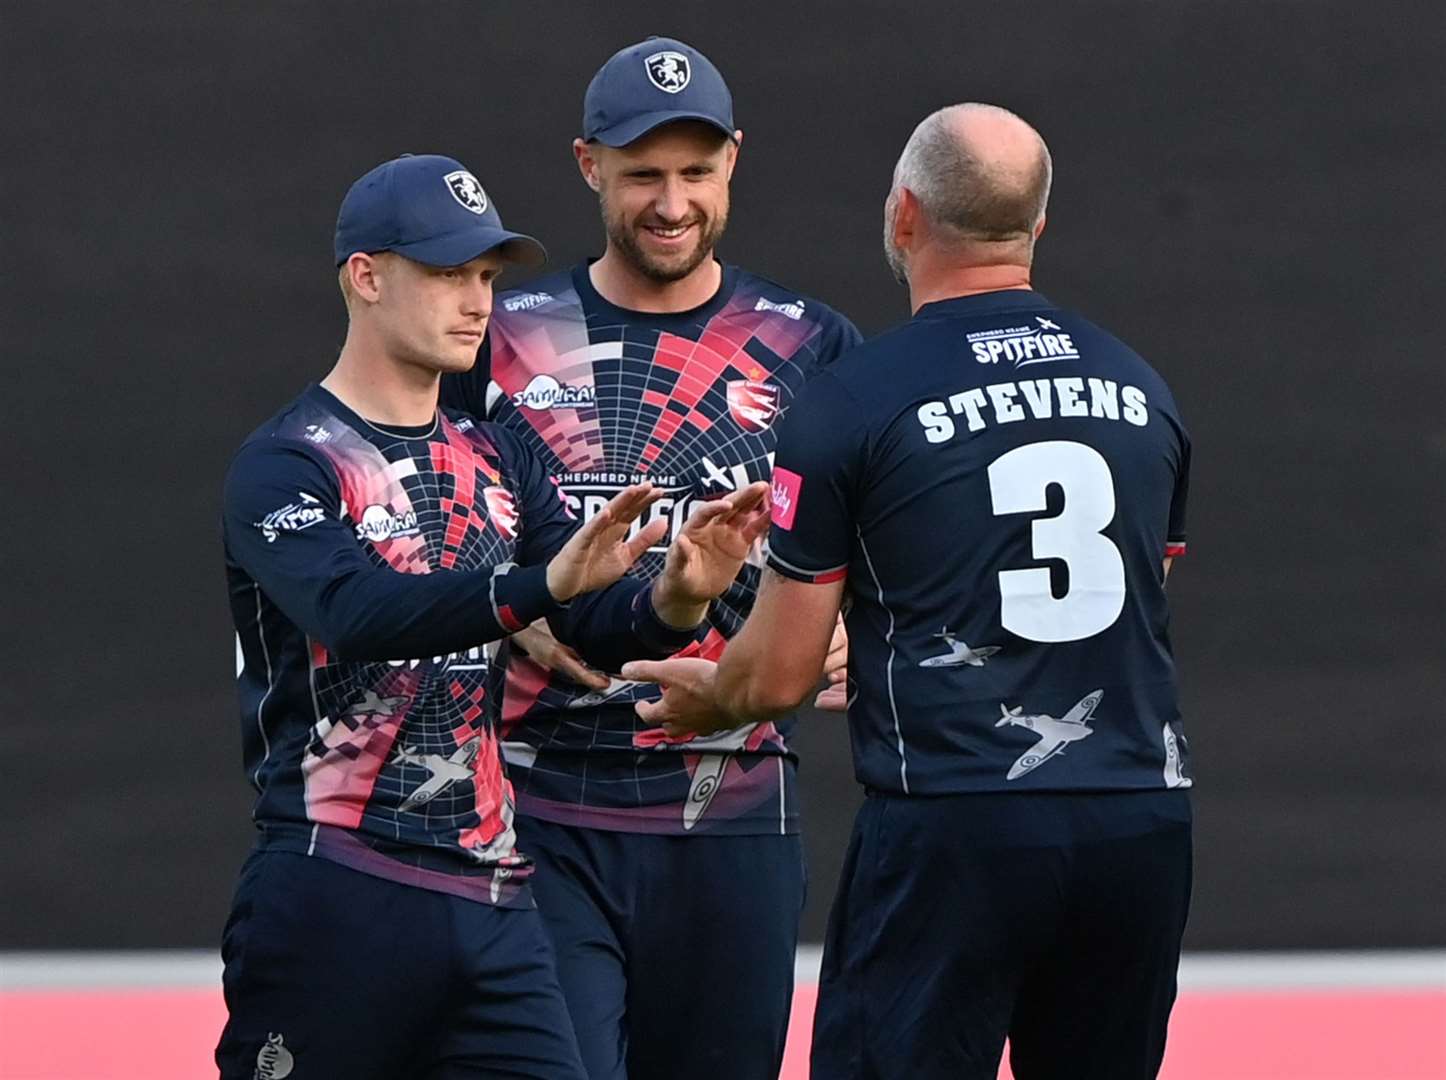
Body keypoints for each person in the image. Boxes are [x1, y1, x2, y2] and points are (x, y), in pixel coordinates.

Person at [624, 103, 1195, 1080]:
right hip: (1140, 820)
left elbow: (776, 677)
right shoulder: (1143, 390)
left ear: (902, 216)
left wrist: (708, 695)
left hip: (957, 821)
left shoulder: (856, 399)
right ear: (1037, 228)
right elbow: (1140, 597)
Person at [216, 152, 769, 1080]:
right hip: (337, 882)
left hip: (497, 900)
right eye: (445, 274)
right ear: (366, 277)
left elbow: (592, 618)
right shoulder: (288, 463)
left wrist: (681, 593)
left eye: (484, 276)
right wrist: (538, 590)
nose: (478, 302)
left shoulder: (495, 445)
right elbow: (355, 612)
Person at [440, 36, 861, 1080]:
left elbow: (887, 554)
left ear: (733, 163)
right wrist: (504, 600)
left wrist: (857, 620)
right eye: (641, 175)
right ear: (588, 167)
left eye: (694, 171)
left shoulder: (812, 342)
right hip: (534, 815)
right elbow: (418, 523)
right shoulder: (495, 338)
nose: (670, 203)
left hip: (733, 816)